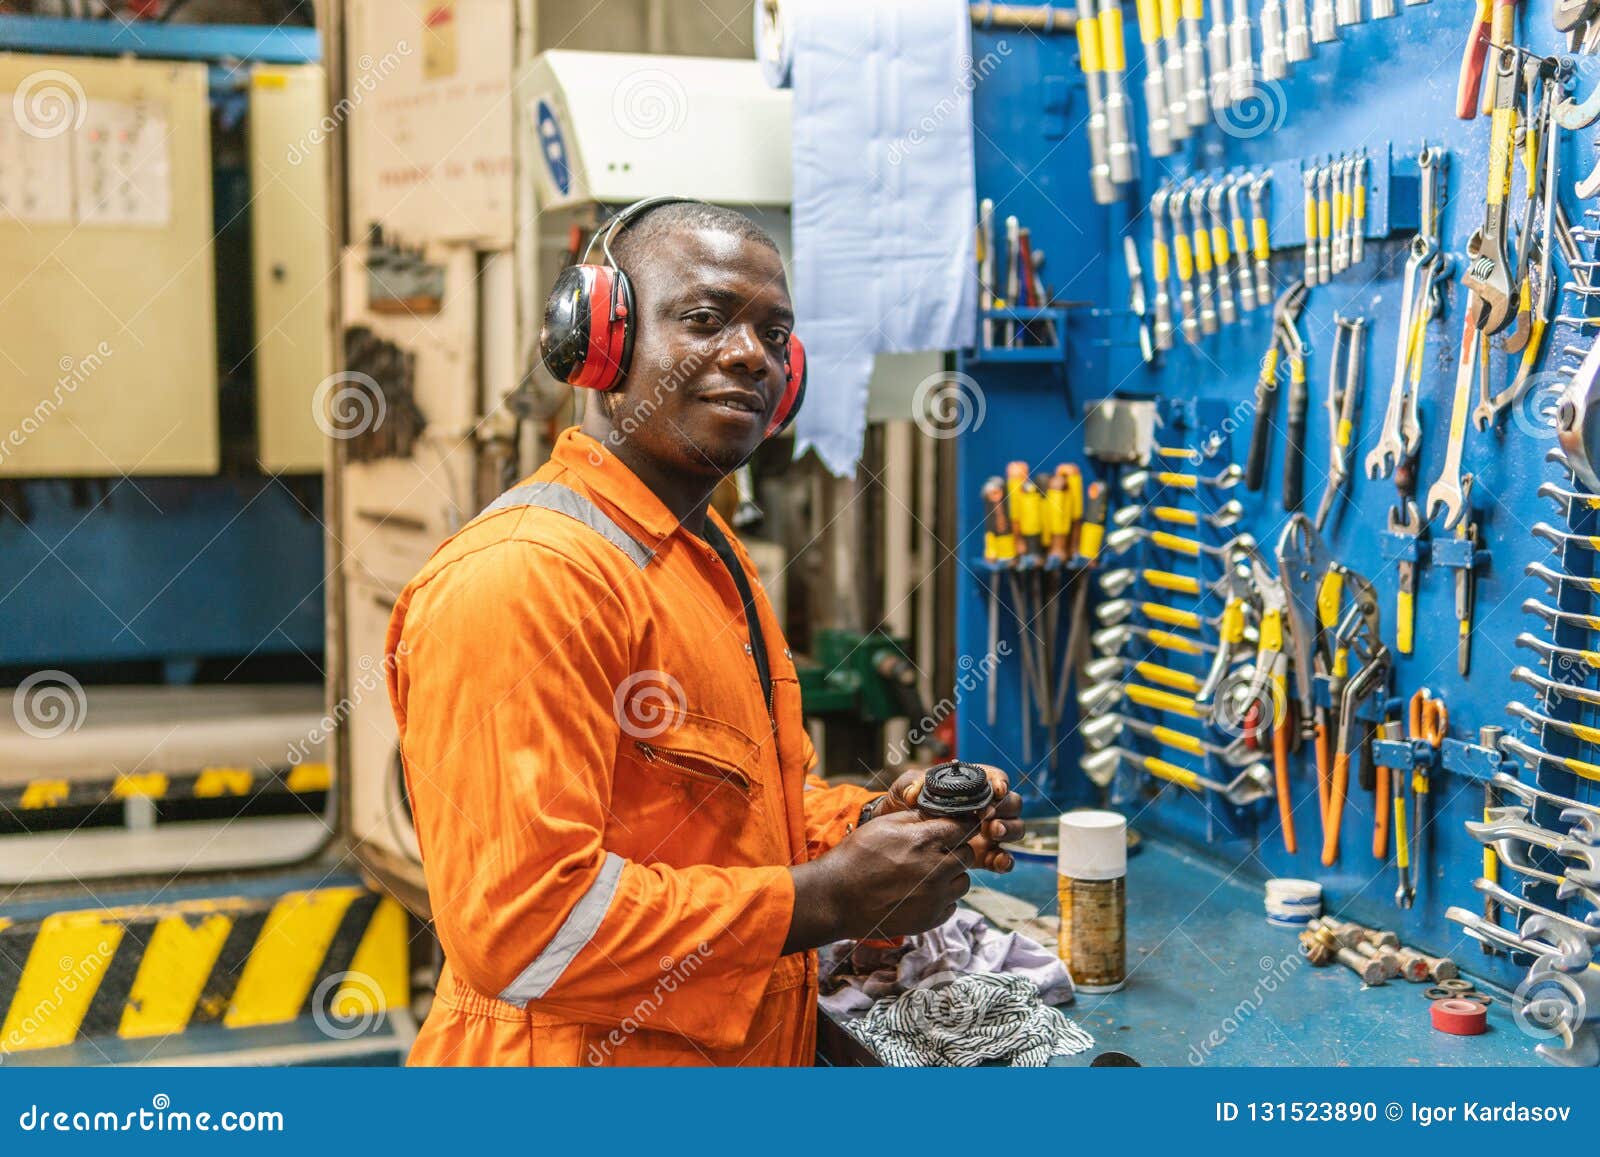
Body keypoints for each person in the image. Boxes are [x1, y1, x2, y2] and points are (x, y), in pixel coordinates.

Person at [385, 198, 1022, 1066]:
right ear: (599, 339)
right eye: (705, 319)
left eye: (774, 334)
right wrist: (827, 899)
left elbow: (748, 818)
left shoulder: (707, 556)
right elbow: (527, 929)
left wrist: (876, 823)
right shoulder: (525, 575)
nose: (748, 354)